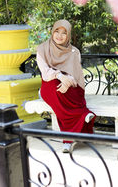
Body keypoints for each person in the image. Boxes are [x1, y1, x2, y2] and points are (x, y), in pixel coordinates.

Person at [36, 19, 96, 153]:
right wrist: (60, 76)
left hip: (70, 88)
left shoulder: (74, 52)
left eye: (64, 33)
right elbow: (45, 72)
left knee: (62, 95)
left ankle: (67, 141)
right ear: (52, 32)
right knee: (53, 85)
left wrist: (67, 81)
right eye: (57, 31)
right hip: (50, 84)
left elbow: (76, 77)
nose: (59, 35)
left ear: (68, 35)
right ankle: (83, 115)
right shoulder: (42, 49)